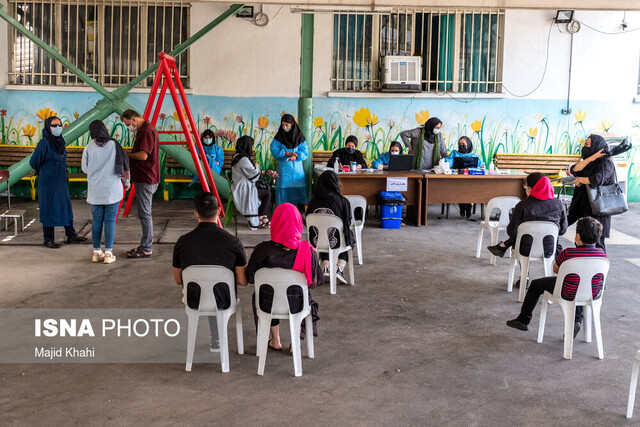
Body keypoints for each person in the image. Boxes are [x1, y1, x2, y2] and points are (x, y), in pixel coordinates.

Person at [506, 216, 607, 338]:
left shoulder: (568, 253)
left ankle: (523, 320)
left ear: (577, 236)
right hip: (592, 292)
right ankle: (576, 321)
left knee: (535, 285)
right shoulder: (602, 255)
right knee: (581, 285)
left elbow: (556, 269)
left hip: (566, 291)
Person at [172, 192, 248, 352]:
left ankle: (216, 338)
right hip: (224, 300)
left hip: (195, 300)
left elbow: (178, 279)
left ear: (196, 214)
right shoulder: (233, 242)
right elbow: (242, 281)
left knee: (207, 288)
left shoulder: (182, 242)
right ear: (220, 210)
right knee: (216, 290)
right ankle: (218, 338)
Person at [246, 203, 323, 352]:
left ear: (275, 223)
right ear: (298, 223)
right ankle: (296, 343)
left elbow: (250, 277)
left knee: (265, 292)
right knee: (305, 296)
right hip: (297, 304)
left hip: (268, 304)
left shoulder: (262, 250)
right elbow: (316, 281)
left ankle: (275, 340)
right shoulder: (308, 252)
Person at [29, 116, 86, 248]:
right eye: (54, 126)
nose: (57, 128)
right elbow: (34, 162)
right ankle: (48, 239)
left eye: (59, 125)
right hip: (48, 183)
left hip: (61, 181)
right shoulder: (44, 143)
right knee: (49, 208)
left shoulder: (60, 142)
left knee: (65, 207)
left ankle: (71, 235)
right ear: (48, 128)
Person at [82, 120, 130, 264]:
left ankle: (96, 252)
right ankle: (108, 253)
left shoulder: (89, 148)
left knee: (96, 221)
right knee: (110, 221)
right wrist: (126, 183)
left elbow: (85, 169)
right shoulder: (114, 145)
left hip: (95, 191)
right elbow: (124, 165)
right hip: (112, 191)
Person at [487, 173, 568, 259]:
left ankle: (504, 245)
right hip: (550, 249)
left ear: (530, 188)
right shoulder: (558, 204)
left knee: (520, 234)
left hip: (525, 250)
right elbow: (562, 230)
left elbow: (511, 232)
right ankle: (503, 246)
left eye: (526, 187)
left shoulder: (522, 206)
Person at [120, 109, 160, 258]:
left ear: (134, 119)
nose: (128, 127)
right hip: (145, 177)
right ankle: (145, 244)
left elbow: (143, 155)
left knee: (145, 214)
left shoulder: (146, 131)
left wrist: (126, 154)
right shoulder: (145, 130)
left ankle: (146, 247)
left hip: (146, 178)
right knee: (144, 213)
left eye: (127, 124)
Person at [567, 134, 616, 252]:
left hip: (597, 209)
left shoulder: (606, 163)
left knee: (596, 242)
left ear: (596, 146)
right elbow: (574, 169)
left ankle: (598, 268)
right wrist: (591, 158)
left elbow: (596, 180)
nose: (584, 147)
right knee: (581, 240)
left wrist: (580, 179)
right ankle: (582, 267)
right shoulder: (589, 162)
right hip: (583, 205)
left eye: (587, 145)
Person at [306, 170, 354, 283]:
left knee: (322, 233)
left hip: (315, 242)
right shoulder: (343, 201)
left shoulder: (313, 202)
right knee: (347, 236)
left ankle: (325, 264)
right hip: (336, 242)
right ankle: (340, 268)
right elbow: (348, 222)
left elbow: (307, 222)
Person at [231, 135, 273, 229]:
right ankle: (261, 218)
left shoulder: (237, 156)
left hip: (240, 186)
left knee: (265, 190)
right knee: (267, 192)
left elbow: (250, 172)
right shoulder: (243, 159)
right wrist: (256, 166)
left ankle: (263, 218)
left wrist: (260, 170)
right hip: (243, 189)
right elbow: (254, 176)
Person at [270, 114, 309, 206]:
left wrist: (296, 156)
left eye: (287, 125)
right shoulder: (279, 137)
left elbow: (305, 153)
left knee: (298, 195)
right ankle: (282, 215)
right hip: (284, 172)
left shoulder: (300, 137)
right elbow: (274, 150)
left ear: (292, 124)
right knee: (283, 195)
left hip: (297, 173)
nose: (284, 127)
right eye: (283, 125)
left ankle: (297, 215)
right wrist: (286, 153)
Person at [444, 136, 485, 218]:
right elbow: (448, 163)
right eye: (459, 144)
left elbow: (481, 168)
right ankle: (463, 206)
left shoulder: (474, 156)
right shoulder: (454, 153)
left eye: (463, 144)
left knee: (469, 187)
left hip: (471, 181)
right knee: (461, 187)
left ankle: (467, 205)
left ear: (468, 144)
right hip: (456, 180)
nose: (461, 146)